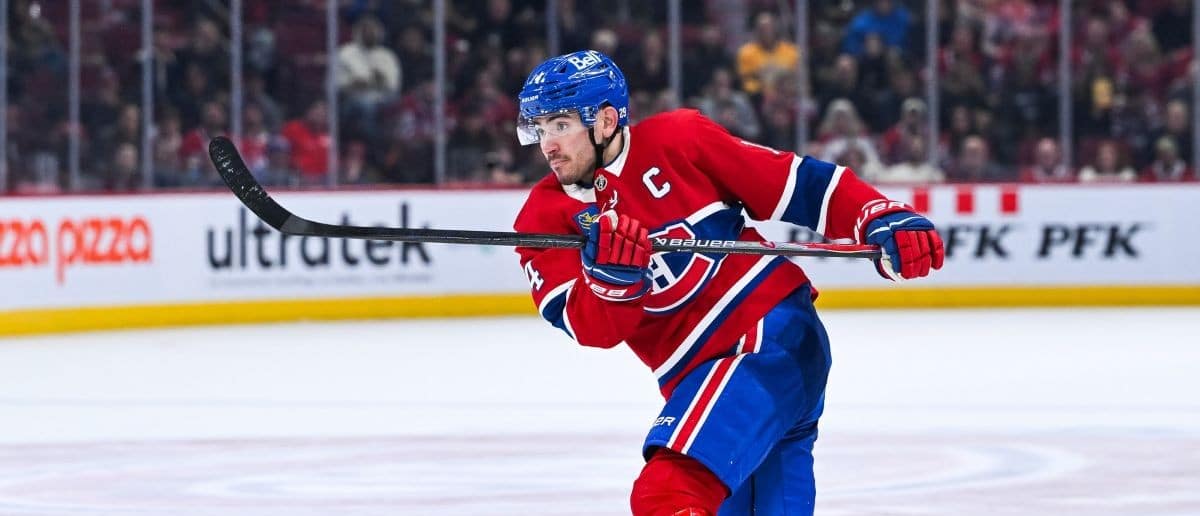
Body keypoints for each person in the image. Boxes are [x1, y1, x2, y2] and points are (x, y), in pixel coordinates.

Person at [511, 50, 944, 515]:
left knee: (668, 496)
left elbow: (795, 184)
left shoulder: (678, 138)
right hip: (697, 376)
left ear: (606, 120)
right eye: (540, 128)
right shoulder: (542, 219)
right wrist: (612, 282)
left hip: (768, 338)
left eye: (560, 125)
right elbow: (592, 329)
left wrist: (875, 214)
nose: (547, 144)